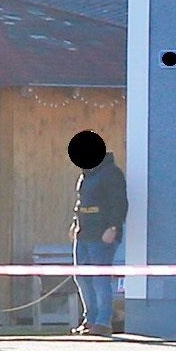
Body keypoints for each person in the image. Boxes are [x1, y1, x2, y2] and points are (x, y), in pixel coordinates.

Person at [68, 130, 128, 337]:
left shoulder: (112, 173)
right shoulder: (85, 176)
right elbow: (80, 203)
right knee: (82, 277)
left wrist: (113, 227)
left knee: (100, 278)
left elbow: (119, 203)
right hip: (84, 233)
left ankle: (103, 322)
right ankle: (90, 319)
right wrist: (76, 223)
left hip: (103, 235)